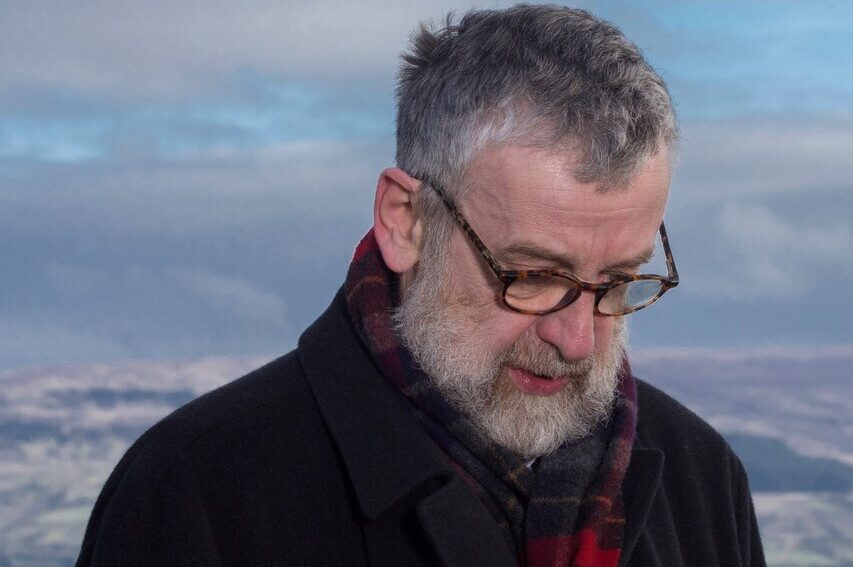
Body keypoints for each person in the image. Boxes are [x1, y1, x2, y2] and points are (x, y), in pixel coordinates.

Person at [76, 5, 765, 567]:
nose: (576, 337)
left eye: (616, 281)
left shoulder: (700, 481)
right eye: (532, 276)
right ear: (404, 222)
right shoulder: (196, 497)